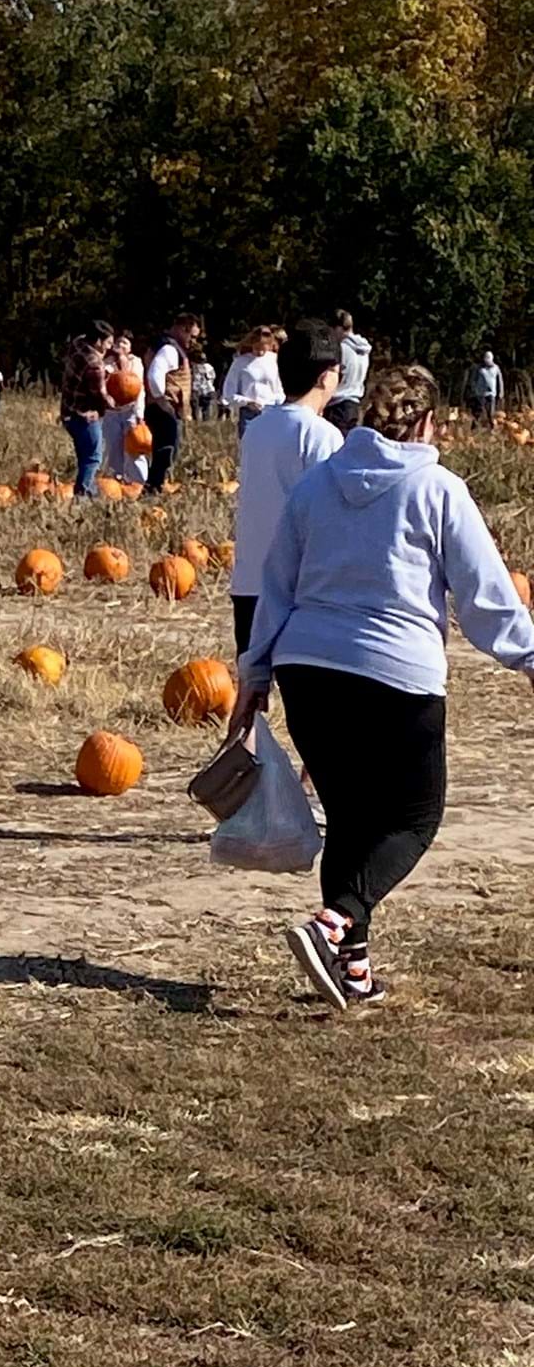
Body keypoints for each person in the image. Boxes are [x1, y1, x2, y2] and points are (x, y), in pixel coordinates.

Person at [232, 366, 534, 1012]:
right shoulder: (436, 488)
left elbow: (275, 582)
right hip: (395, 674)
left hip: (307, 668)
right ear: (427, 422)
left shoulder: (316, 485)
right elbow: (483, 594)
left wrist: (255, 672)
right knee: (414, 819)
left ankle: (354, 971)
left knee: (351, 819)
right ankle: (334, 921)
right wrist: (528, 656)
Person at [230, 320, 343, 653]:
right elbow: (328, 515)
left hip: (249, 581)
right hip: (298, 589)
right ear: (327, 375)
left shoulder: (258, 428)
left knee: (253, 689)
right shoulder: (322, 436)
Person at [142, 311, 200, 490]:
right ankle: (154, 486)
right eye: (193, 336)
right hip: (164, 408)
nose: (194, 341)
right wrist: (161, 400)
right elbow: (154, 375)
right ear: (183, 329)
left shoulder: (166, 346)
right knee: (166, 449)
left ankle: (156, 485)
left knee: (165, 449)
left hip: (162, 407)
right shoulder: (169, 349)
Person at [59, 320, 115, 497]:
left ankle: (91, 494)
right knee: (93, 458)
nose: (109, 348)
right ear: (98, 341)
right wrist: (117, 404)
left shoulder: (77, 344)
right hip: (85, 416)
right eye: (108, 343)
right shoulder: (94, 363)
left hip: (68, 411)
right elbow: (100, 395)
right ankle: (82, 495)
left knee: (84, 457)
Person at [101, 332, 149, 488]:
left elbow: (139, 388)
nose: (121, 345)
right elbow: (103, 380)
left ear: (130, 347)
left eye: (125, 343)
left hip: (130, 411)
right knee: (113, 448)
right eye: (119, 342)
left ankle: (138, 483)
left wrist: (139, 413)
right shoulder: (107, 362)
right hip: (111, 413)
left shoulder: (136, 362)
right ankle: (116, 482)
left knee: (134, 448)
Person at [222, 326, 286, 440]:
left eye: (263, 348)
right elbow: (228, 393)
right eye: (257, 347)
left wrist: (277, 403)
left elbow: (280, 390)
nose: (260, 351)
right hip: (249, 414)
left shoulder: (275, 360)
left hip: (272, 411)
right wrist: (247, 402)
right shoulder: (240, 362)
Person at [325, 310, 370, 433]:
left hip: (337, 404)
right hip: (354, 404)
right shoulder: (363, 350)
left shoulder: (340, 349)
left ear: (338, 328)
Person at [472, 351, 504, 428]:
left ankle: (492, 428)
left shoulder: (496, 368)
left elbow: (500, 380)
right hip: (480, 394)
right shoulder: (479, 368)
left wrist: (501, 392)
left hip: (491, 393)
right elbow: (473, 379)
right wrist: (474, 390)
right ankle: (474, 428)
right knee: (478, 412)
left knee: (491, 413)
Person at [191, 352, 217, 421]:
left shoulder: (196, 367)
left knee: (202, 409)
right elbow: (213, 377)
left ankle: (202, 423)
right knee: (202, 409)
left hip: (202, 390)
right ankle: (201, 423)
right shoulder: (208, 367)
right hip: (203, 389)